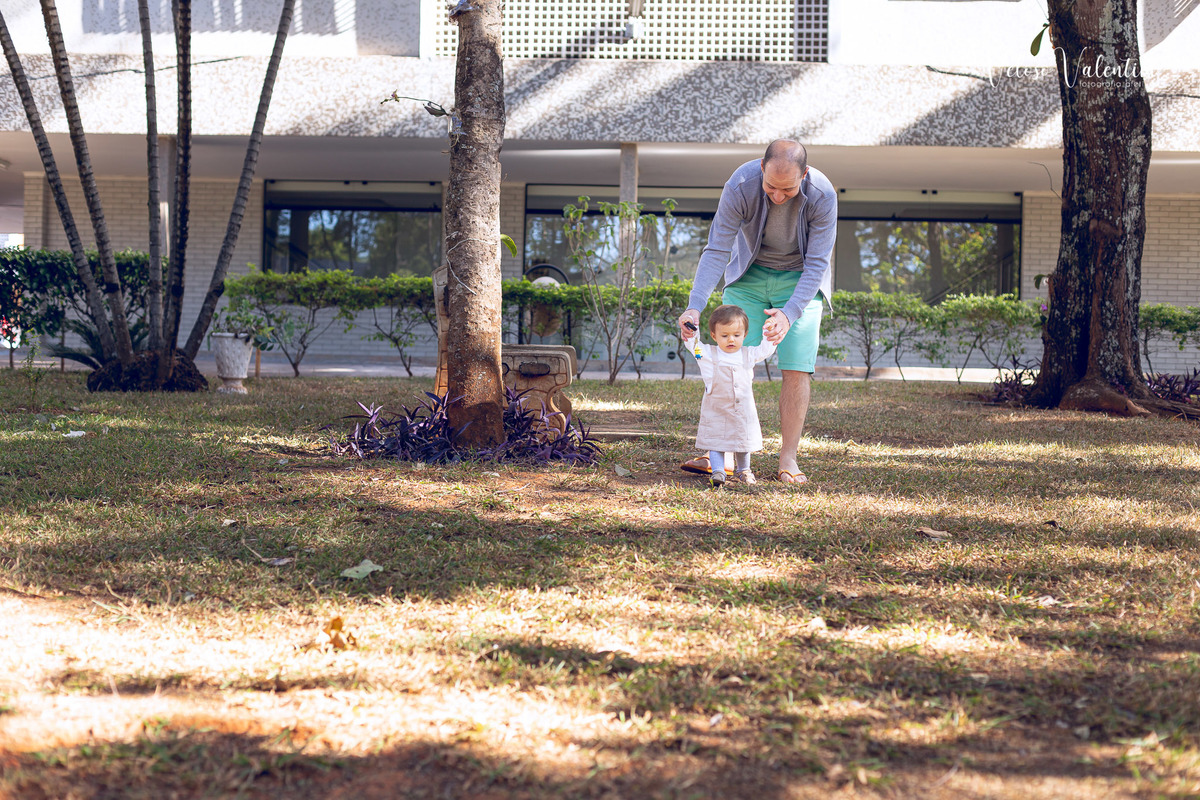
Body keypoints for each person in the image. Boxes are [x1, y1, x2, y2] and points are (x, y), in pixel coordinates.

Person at [677, 139, 836, 485]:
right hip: (748, 276)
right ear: (761, 169)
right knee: (725, 362)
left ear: (804, 175)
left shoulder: (823, 194)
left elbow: (818, 264)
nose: (778, 196)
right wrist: (695, 304)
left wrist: (789, 313)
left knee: (796, 367)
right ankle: (722, 452)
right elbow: (718, 247)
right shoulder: (740, 184)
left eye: (788, 189)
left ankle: (788, 458)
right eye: (771, 187)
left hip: (800, 280)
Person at [682, 304, 777, 487]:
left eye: (736, 335)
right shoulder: (708, 355)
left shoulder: (748, 355)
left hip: (742, 410)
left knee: (743, 441)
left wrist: (769, 332)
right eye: (724, 336)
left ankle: (744, 470)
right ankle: (718, 471)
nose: (731, 340)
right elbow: (694, 348)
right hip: (716, 410)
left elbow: (766, 350)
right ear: (714, 335)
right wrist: (690, 332)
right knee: (717, 441)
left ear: (745, 335)